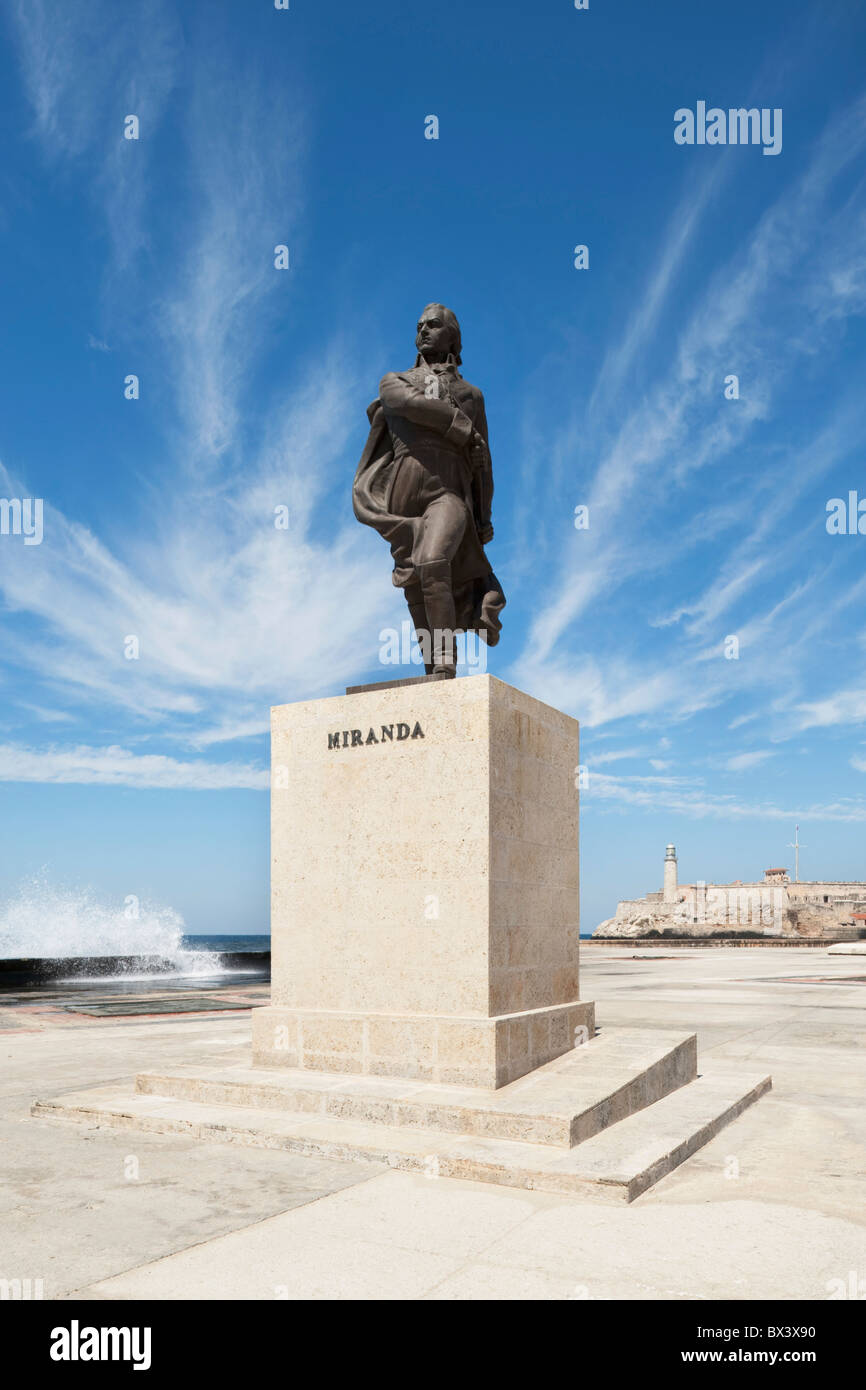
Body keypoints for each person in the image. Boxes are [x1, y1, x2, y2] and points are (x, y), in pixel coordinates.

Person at [353, 304, 505, 678]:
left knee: (434, 561)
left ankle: (445, 662)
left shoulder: (472, 395)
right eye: (419, 325)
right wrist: (456, 424)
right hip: (402, 494)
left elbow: (482, 460)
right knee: (415, 581)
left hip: (447, 490)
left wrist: (484, 515)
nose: (423, 330)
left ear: (452, 335)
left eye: (434, 325)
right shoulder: (394, 381)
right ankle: (432, 667)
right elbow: (402, 403)